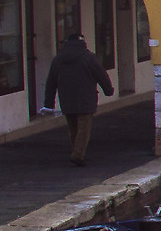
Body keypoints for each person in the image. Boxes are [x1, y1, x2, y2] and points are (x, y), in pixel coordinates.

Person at [41, 33, 114, 166]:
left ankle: (77, 150)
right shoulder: (88, 57)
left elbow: (51, 82)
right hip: (86, 98)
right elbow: (101, 74)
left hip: (66, 99)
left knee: (73, 127)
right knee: (83, 128)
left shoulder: (58, 59)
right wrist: (108, 90)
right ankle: (78, 155)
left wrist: (48, 104)